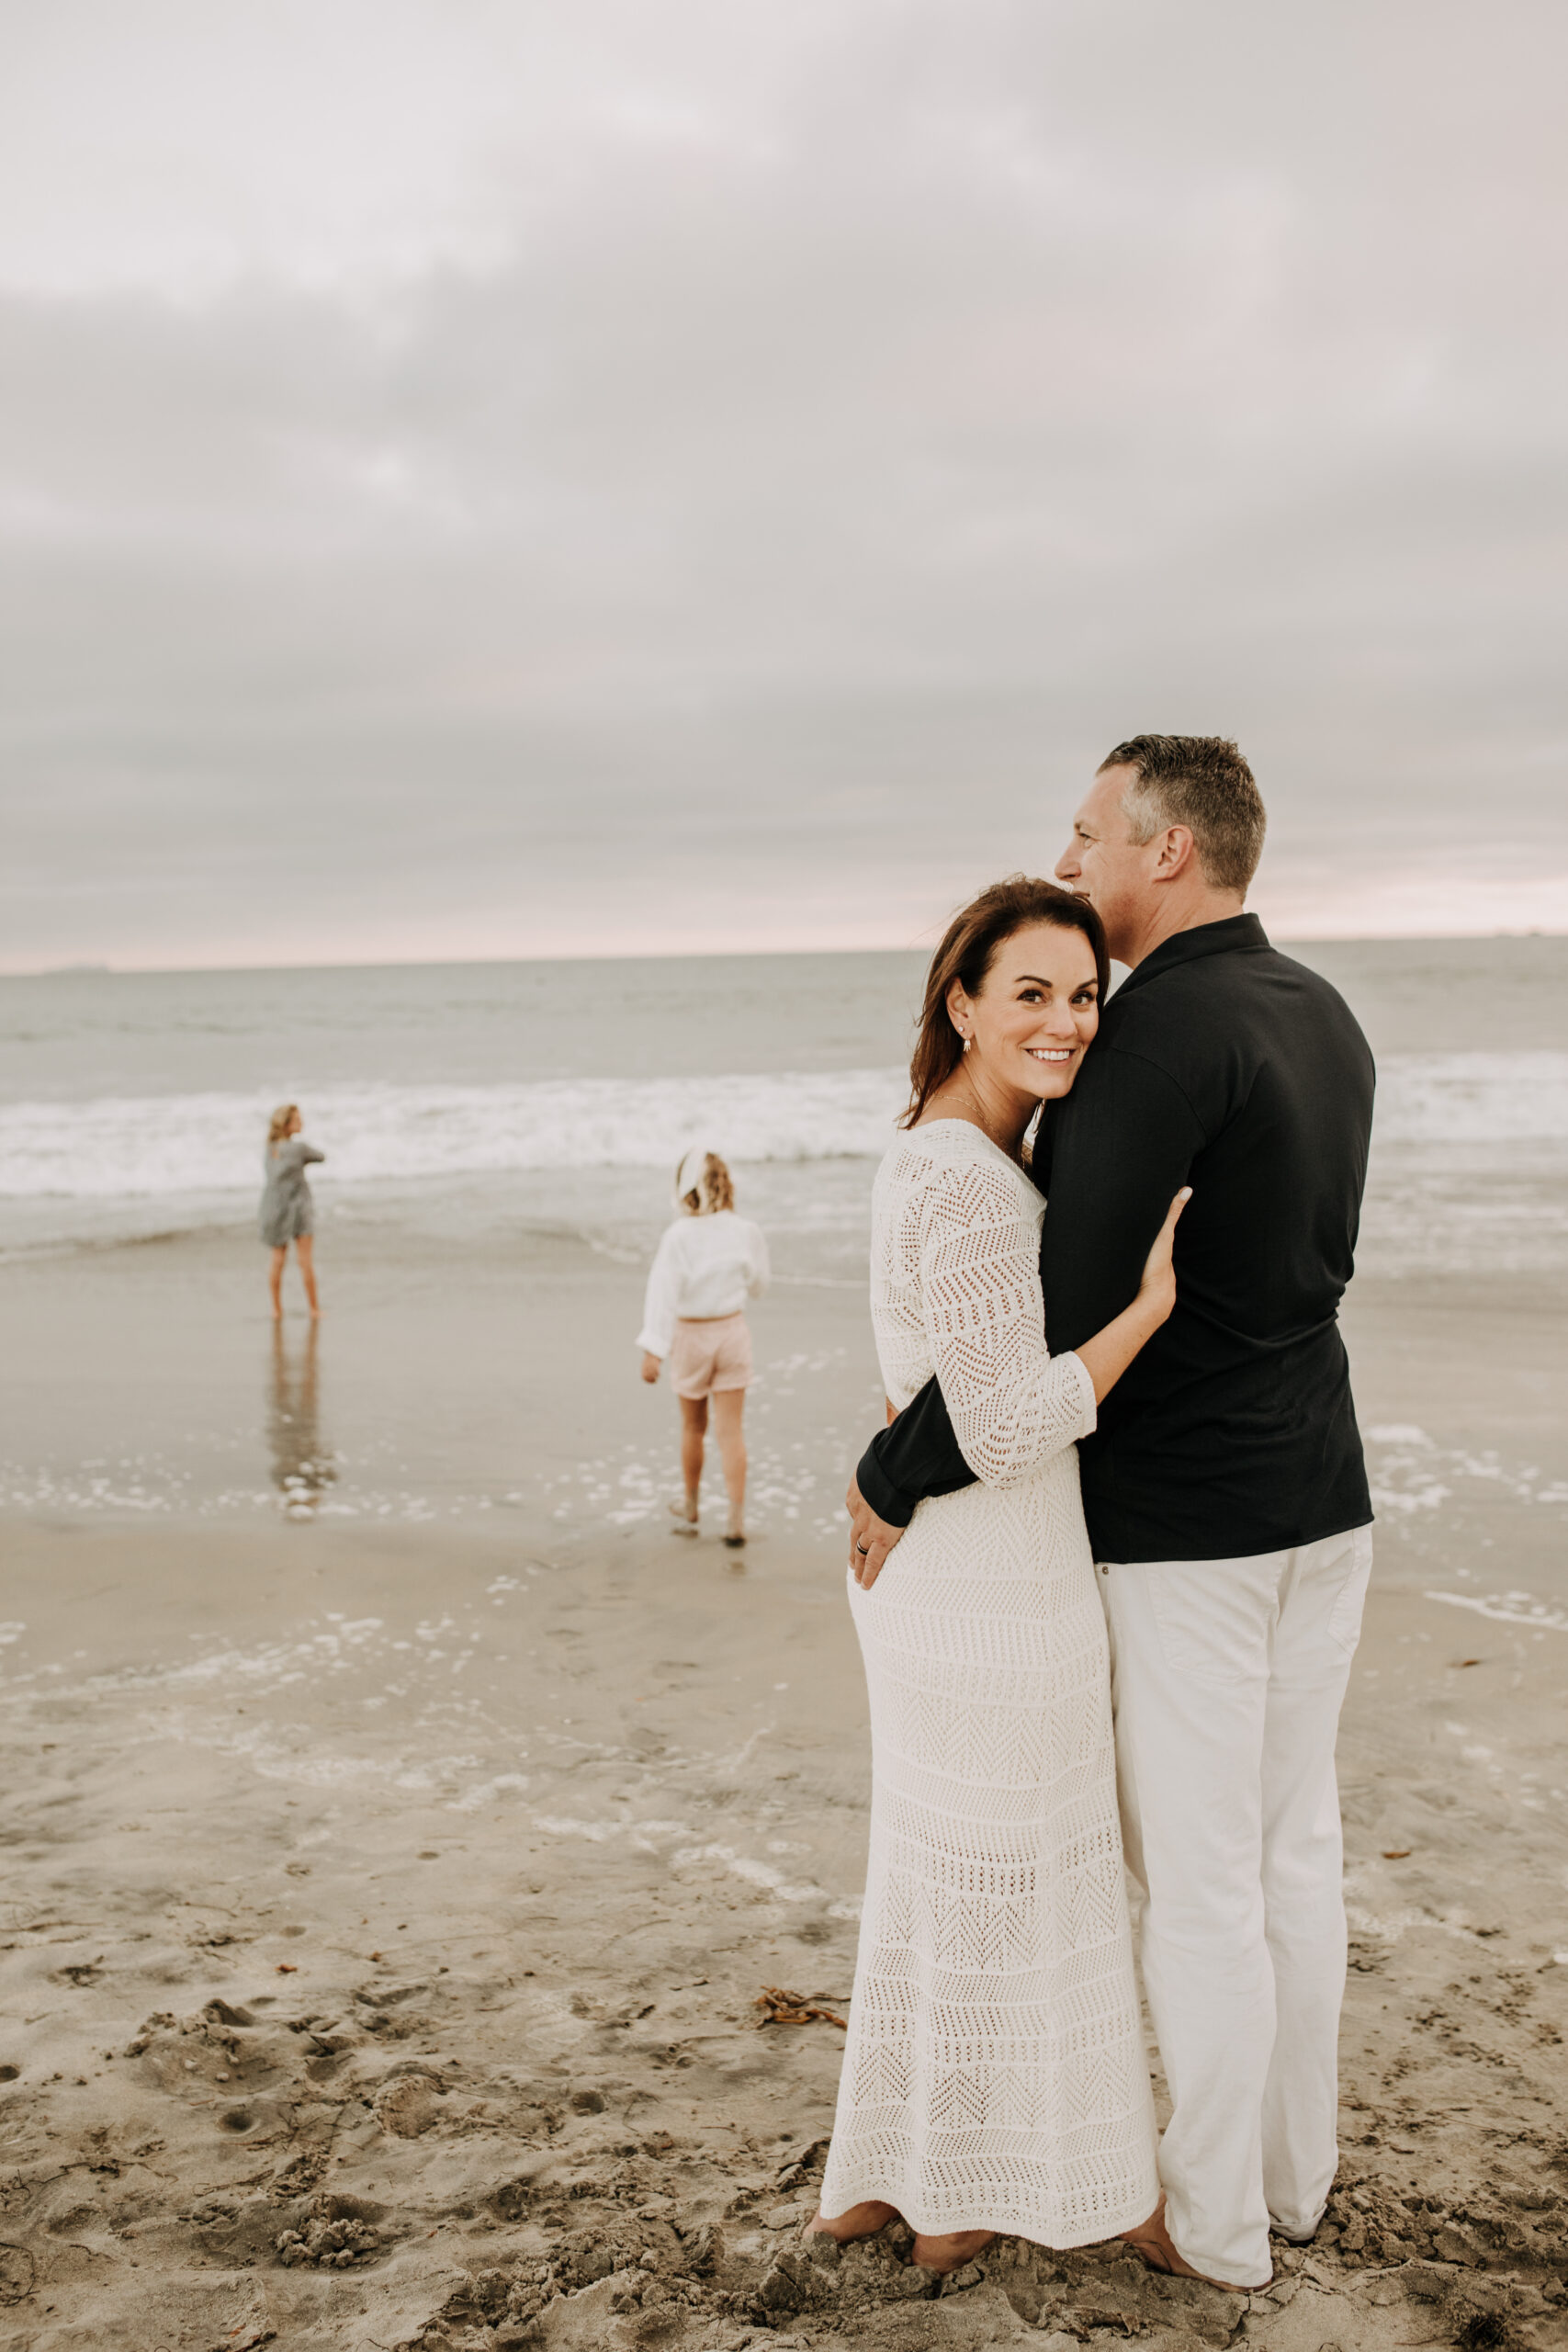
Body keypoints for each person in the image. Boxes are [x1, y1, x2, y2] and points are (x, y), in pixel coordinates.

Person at [848, 737, 1376, 2293]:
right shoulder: (1324, 1016)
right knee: (1294, 1856)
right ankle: (1292, 2178)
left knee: (1205, 1884)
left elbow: (1058, 1319)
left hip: (1191, 1530)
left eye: (1089, 835)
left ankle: (1213, 2229)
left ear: (1166, 850)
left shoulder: (1153, 1043)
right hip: (1323, 1500)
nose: (1071, 860)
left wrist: (888, 1473)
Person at [814, 876, 1190, 2275]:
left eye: (1083, 994)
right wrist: (1146, 1314)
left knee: (944, 1880)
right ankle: (964, 2196)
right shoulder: (966, 1183)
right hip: (987, 1593)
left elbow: (941, 1404)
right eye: (1027, 992)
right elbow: (998, 1426)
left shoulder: (952, 1153)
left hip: (951, 1584)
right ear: (959, 1002)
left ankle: (893, 2175)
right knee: (1009, 1882)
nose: (1064, 1021)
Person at [637, 1148, 769, 1548]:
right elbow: (759, 1285)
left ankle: (692, 1505)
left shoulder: (678, 1236)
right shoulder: (745, 1230)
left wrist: (653, 1349)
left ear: (683, 1188)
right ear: (725, 1183)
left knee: (694, 1427)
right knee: (731, 1431)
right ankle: (735, 1520)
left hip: (692, 1337)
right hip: (732, 1333)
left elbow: (663, 1293)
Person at [259, 1103, 324, 1320]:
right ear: (287, 1125)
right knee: (305, 1260)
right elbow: (321, 1156)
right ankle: (314, 1309)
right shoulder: (299, 1149)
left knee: (277, 1260)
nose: (301, 1122)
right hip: (298, 1207)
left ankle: (276, 1310)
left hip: (273, 1207)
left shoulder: (270, 1149)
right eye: (297, 1119)